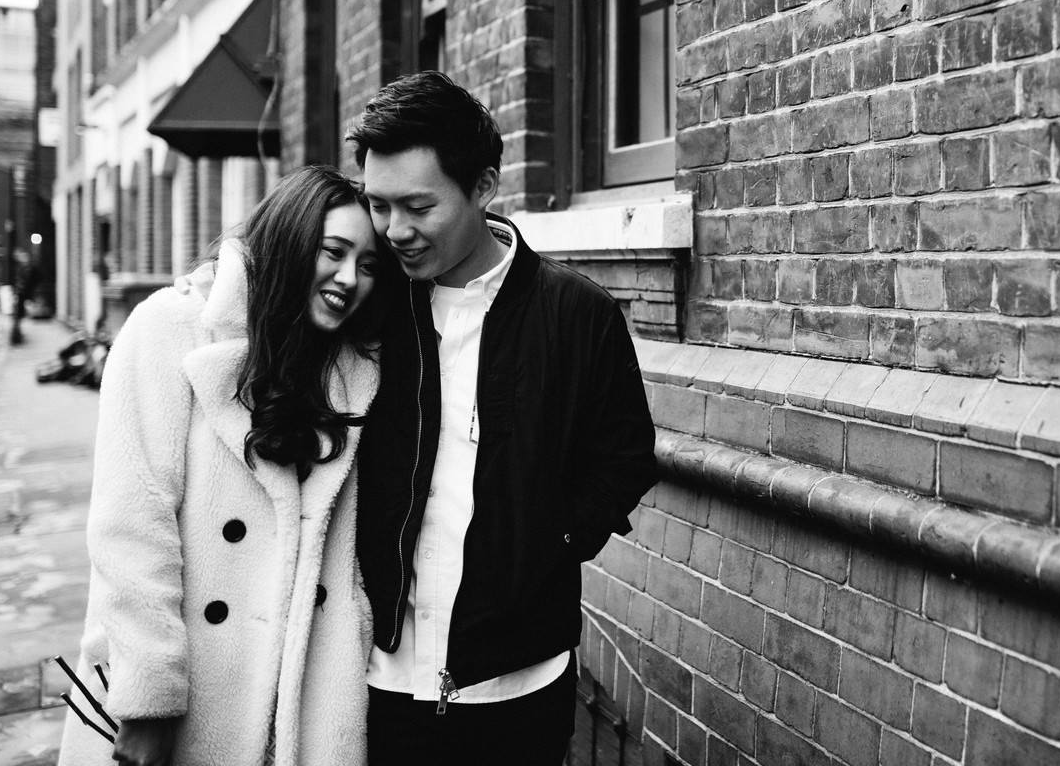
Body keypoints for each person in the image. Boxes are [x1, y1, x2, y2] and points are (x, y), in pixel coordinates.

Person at [350, 71, 658, 765]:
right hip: (376, 676)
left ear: (483, 187)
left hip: (518, 688)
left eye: (418, 206)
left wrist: (550, 543)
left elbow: (625, 456)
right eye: (379, 205)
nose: (395, 231)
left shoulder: (576, 315)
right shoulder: (371, 310)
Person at [57, 165, 395, 766]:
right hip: (189, 683)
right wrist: (148, 699)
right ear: (291, 242)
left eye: (369, 266)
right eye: (333, 252)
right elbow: (132, 525)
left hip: (305, 694)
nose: (350, 278)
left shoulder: (351, 368)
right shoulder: (170, 328)